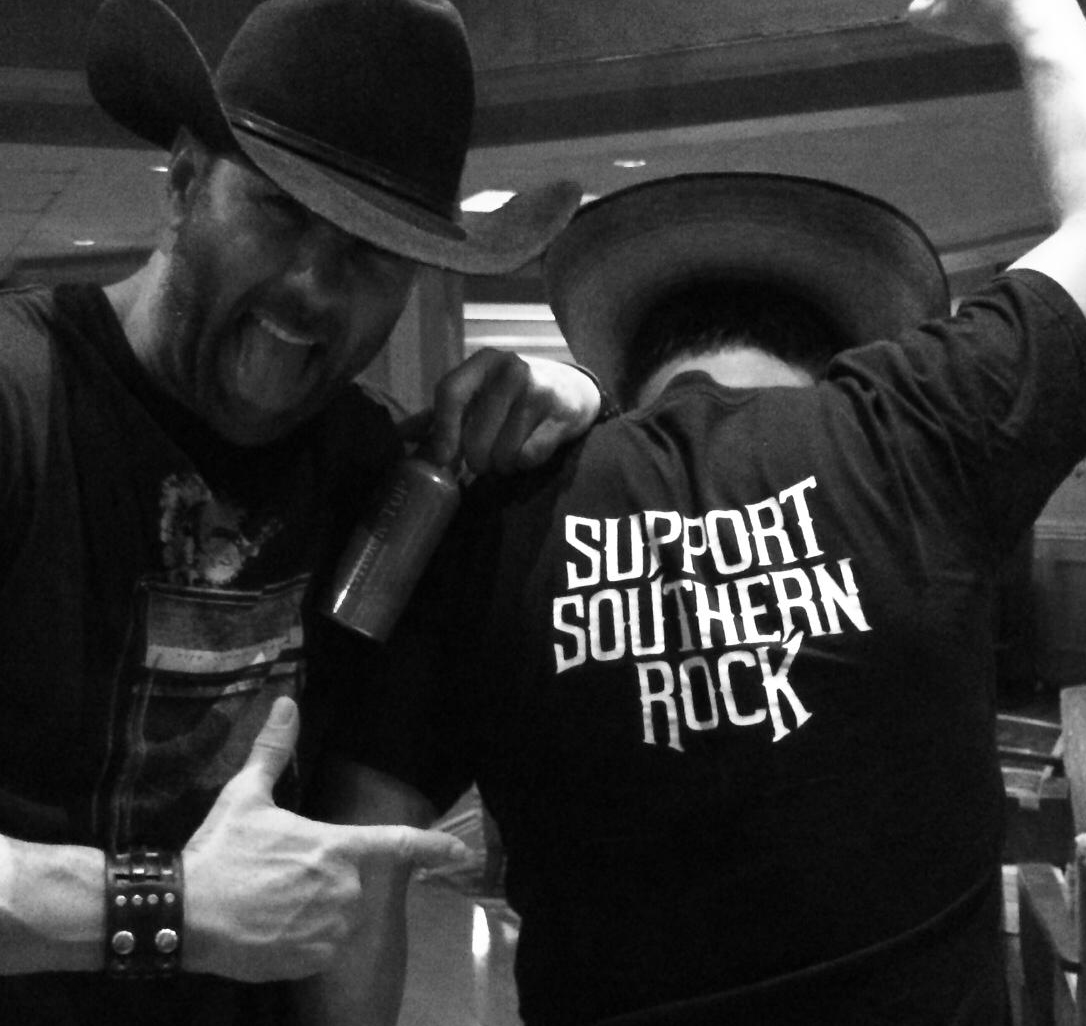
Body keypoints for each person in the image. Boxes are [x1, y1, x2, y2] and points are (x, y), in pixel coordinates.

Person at [308, 0, 1086, 1022]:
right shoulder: (908, 431)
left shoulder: (488, 511)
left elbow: (354, 870)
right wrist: (1044, 21)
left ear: (635, 367)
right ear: (841, 356)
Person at [0, 0, 603, 1022]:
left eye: (371, 253)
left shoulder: (368, 466)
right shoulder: (21, 400)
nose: (314, 288)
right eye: (278, 211)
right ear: (184, 184)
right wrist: (167, 907)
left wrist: (567, 400)